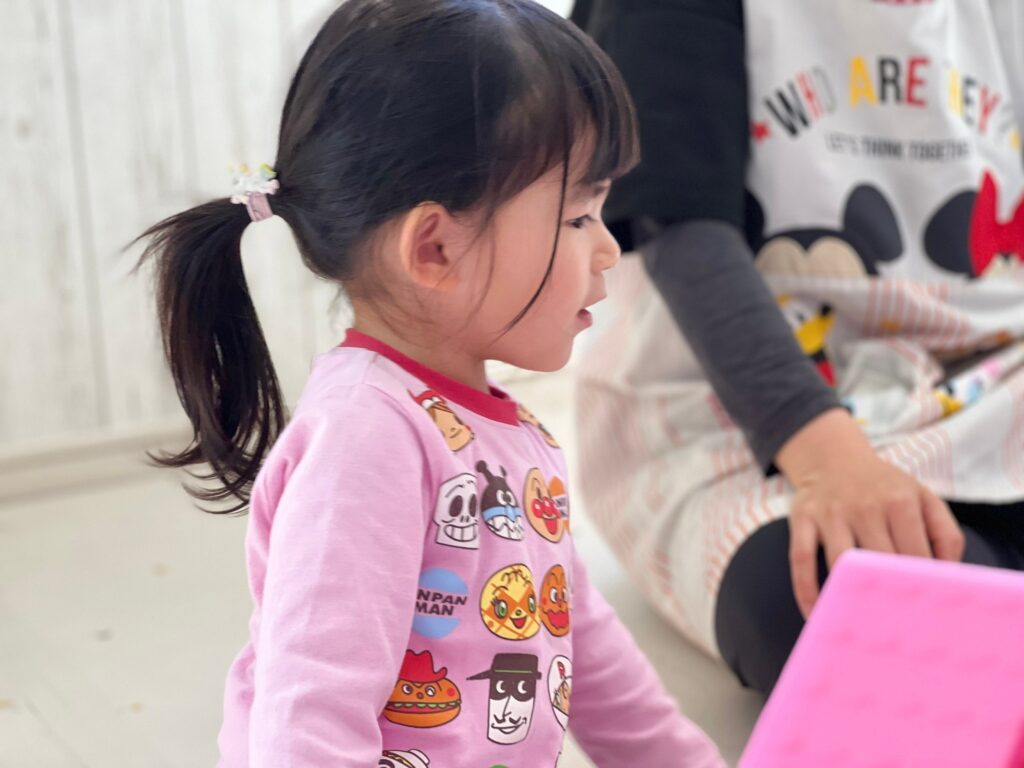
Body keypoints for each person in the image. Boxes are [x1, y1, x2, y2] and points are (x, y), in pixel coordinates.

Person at [136, 1, 725, 765]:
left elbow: (582, 636)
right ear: (435, 248)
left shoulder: (503, 428)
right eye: (579, 217)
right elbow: (309, 715)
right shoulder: (365, 440)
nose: (609, 250)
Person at [571, 0, 1024, 695]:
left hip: (994, 374)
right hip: (747, 413)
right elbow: (682, 231)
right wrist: (829, 461)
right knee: (832, 606)